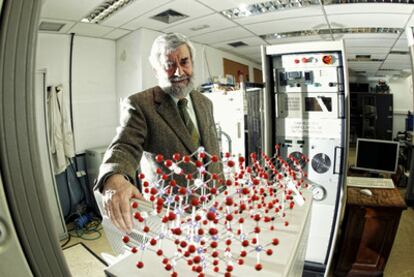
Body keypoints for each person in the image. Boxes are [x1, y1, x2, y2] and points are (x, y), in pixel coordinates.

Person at [94, 33, 222, 233]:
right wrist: (114, 178)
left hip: (213, 202)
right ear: (156, 70)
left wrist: (220, 190)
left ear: (192, 63)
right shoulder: (140, 105)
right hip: (171, 212)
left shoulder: (205, 103)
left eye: (184, 62)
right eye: (169, 64)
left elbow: (212, 151)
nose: (178, 71)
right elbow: (125, 145)